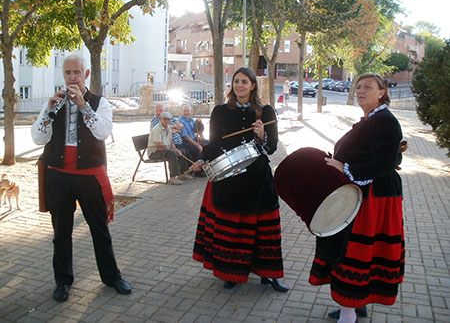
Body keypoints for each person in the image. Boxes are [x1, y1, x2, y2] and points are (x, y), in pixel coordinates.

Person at [31, 54, 131, 302]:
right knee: (60, 232)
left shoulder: (100, 103)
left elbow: (102, 132)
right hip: (59, 177)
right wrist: (49, 112)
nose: (72, 77)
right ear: (63, 75)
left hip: (89, 178)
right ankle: (63, 281)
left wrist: (84, 106)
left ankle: (112, 277)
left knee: (99, 230)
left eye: (76, 72)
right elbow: (37, 138)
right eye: (67, 73)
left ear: (86, 75)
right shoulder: (54, 102)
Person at [309, 73, 405, 323]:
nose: (360, 90)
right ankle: (354, 306)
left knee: (356, 251)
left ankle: (349, 313)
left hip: (374, 198)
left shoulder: (384, 120)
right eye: (358, 86)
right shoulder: (370, 119)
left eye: (367, 87)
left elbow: (385, 163)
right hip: (364, 194)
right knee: (355, 251)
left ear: (381, 92)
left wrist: (346, 168)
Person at [190, 67, 288, 292]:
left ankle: (269, 275)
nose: (239, 86)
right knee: (233, 229)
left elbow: (272, 148)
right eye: (236, 82)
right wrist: (202, 160)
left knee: (264, 231)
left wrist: (262, 135)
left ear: (253, 85)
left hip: (258, 179)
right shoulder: (220, 111)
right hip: (229, 180)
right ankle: (230, 272)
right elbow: (214, 144)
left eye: (244, 82)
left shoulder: (266, 112)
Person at [148, 111, 193, 185]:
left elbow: (171, 142)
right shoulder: (157, 129)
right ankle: (172, 178)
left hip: (164, 149)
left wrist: (175, 149)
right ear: (161, 119)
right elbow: (159, 146)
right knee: (172, 154)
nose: (166, 121)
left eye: (168, 119)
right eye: (164, 119)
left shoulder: (168, 128)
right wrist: (173, 151)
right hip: (155, 151)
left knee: (182, 151)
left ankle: (182, 173)